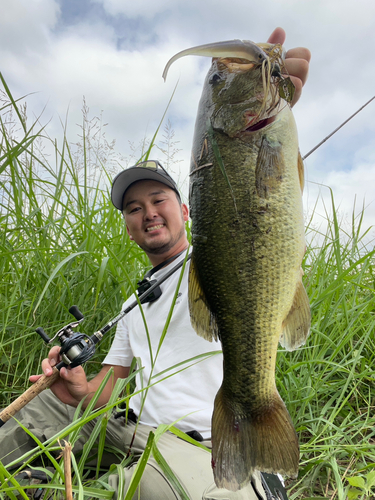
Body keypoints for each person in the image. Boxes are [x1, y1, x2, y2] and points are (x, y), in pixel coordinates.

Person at [0, 28, 311, 499]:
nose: (147, 213)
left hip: (199, 442)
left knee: (134, 490)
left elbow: (259, 200)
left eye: (158, 199)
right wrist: (81, 387)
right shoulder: (133, 304)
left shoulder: (207, 264)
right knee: (27, 419)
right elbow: (115, 380)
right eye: (132, 208)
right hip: (132, 430)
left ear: (187, 210)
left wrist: (275, 109)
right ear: (127, 226)